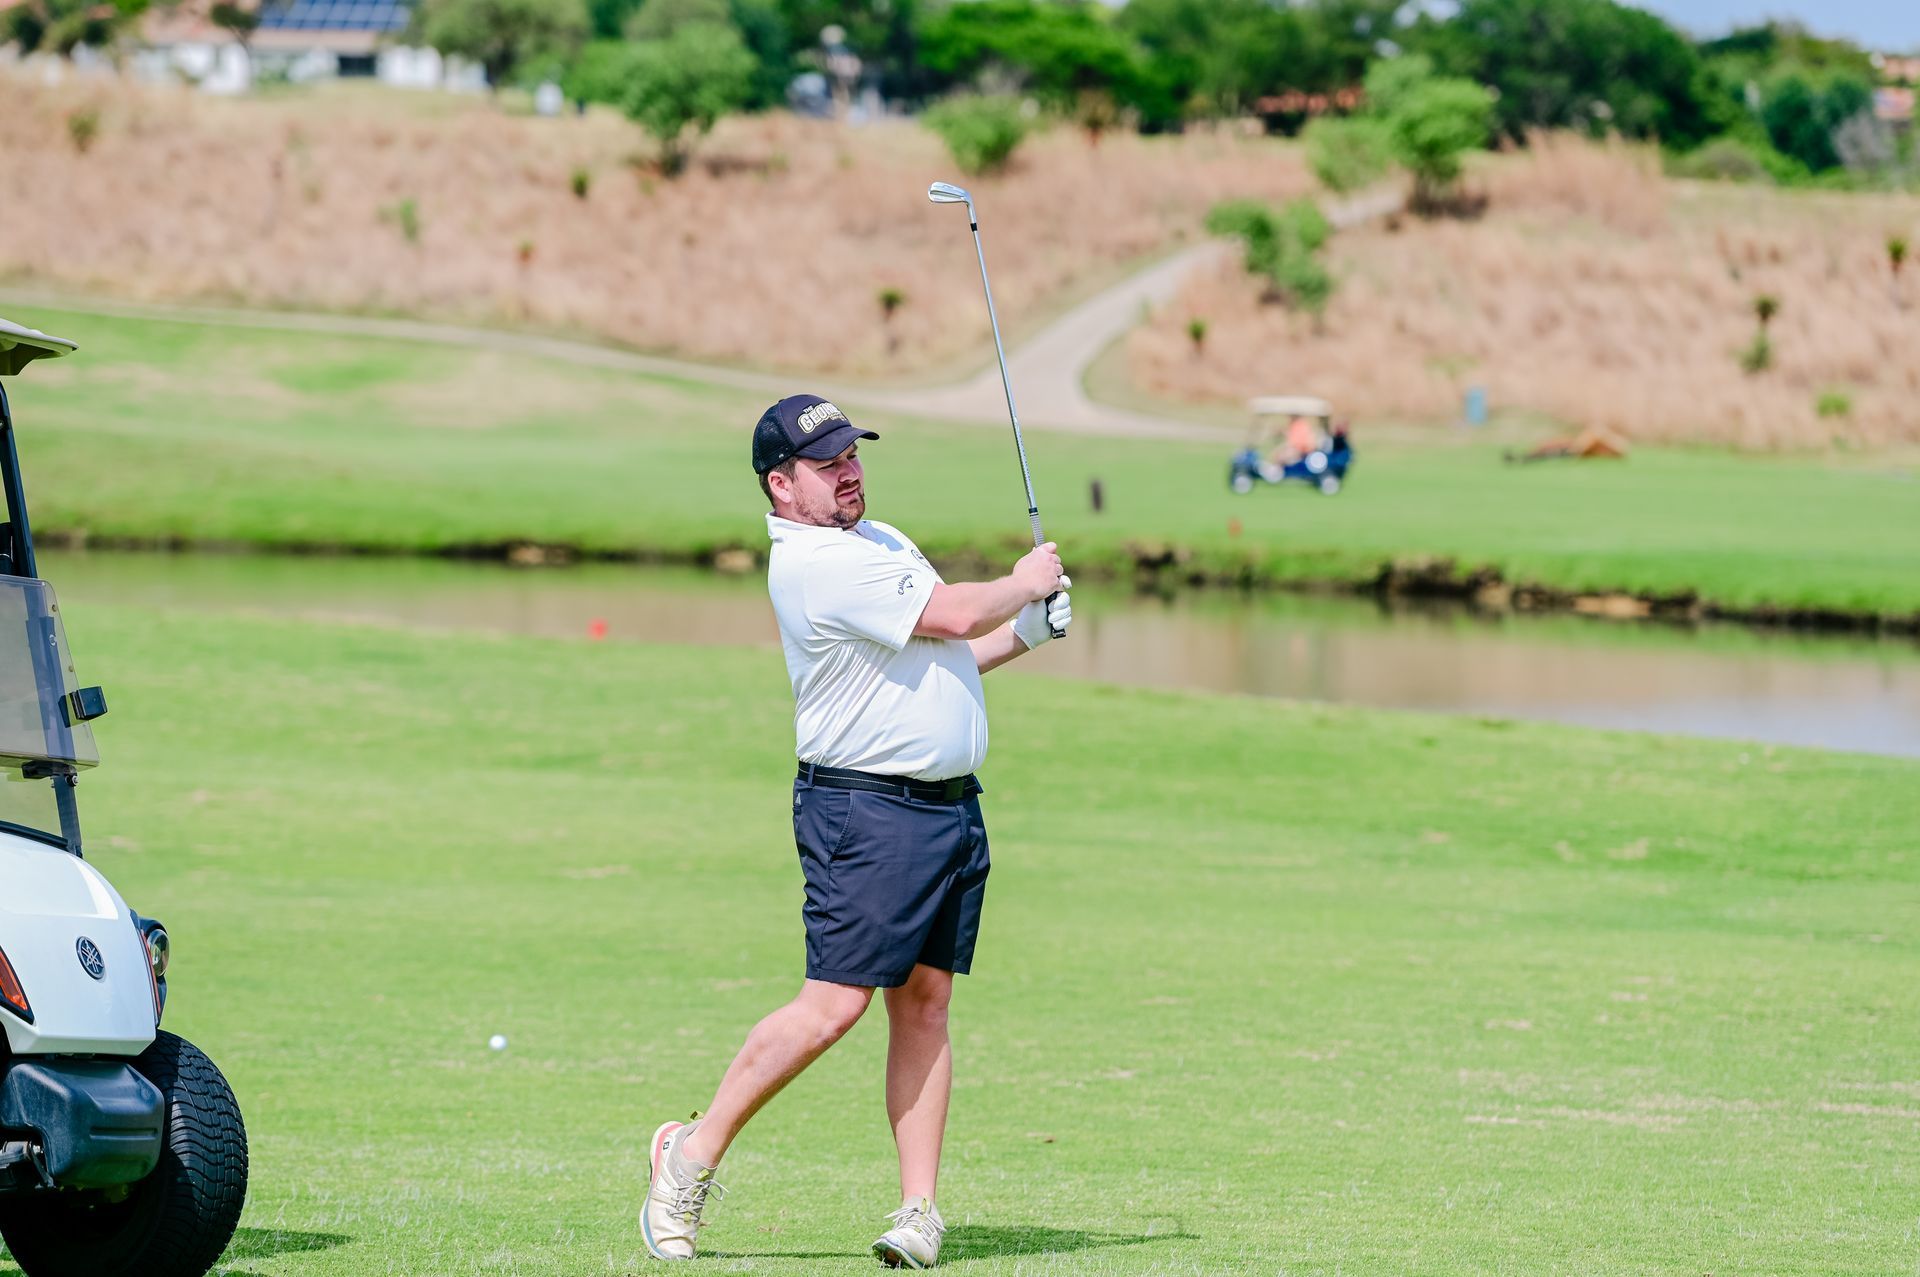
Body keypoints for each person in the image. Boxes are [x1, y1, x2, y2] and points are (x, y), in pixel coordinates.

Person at [641, 394, 1073, 1268]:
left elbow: (947, 653)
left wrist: (1025, 633)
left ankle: (919, 1210)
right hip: (864, 810)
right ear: (781, 484)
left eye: (852, 454)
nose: (848, 471)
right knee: (834, 1004)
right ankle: (689, 1154)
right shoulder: (813, 564)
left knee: (926, 1000)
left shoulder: (881, 542)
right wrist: (1024, 583)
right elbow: (953, 614)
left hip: (948, 808)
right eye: (826, 462)